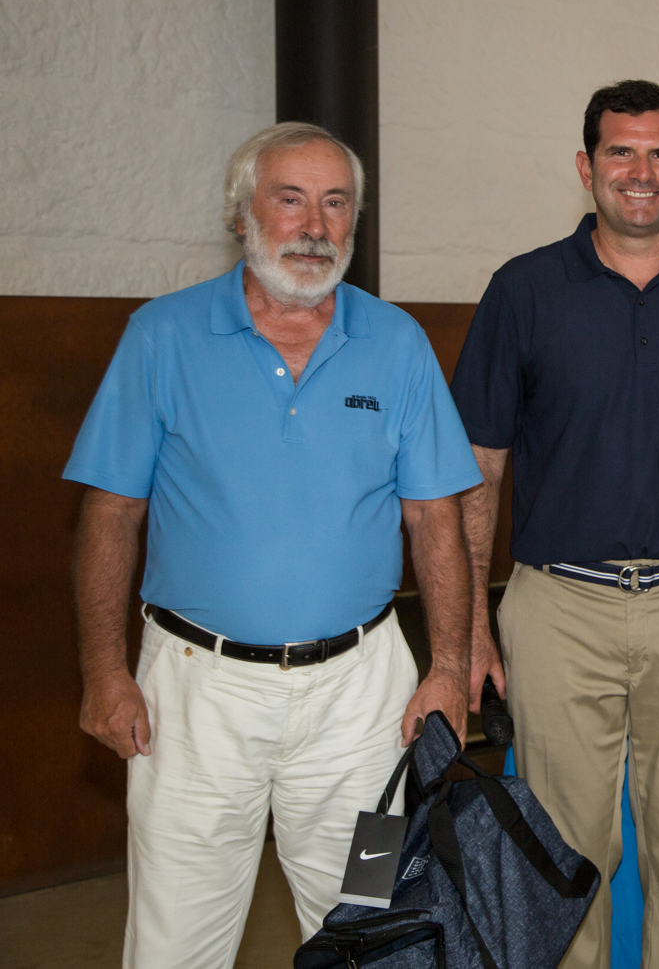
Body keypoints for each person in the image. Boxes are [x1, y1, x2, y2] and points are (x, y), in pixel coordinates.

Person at [65, 122, 482, 969]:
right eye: (290, 200)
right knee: (174, 937)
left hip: (364, 702)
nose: (315, 226)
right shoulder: (162, 336)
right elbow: (110, 514)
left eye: (336, 203)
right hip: (193, 699)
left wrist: (447, 665)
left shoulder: (397, 342)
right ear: (241, 214)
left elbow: (436, 519)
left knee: (371, 920)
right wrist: (105, 673)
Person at [450, 80, 659, 969]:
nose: (642, 172)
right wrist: (471, 622)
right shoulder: (524, 290)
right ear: (585, 166)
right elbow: (477, 469)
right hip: (559, 608)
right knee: (563, 858)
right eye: (621, 152)